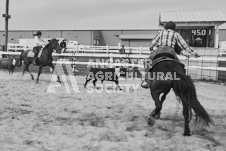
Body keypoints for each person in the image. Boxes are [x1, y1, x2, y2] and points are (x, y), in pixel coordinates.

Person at [142, 21, 200, 88]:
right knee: (180, 66)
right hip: (170, 51)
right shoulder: (176, 34)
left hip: (159, 50)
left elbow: (153, 43)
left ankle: (147, 80)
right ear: (174, 28)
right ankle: (182, 83)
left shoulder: (161, 32)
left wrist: (151, 49)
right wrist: (194, 53)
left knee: (147, 62)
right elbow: (184, 45)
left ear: (166, 27)